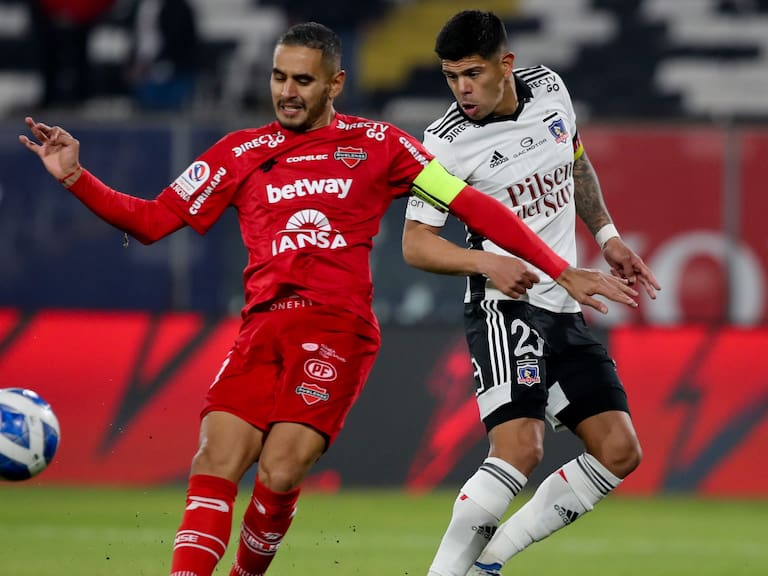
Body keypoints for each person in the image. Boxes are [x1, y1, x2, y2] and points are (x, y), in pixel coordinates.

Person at [20, 22, 639, 576]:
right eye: (279, 78)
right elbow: (151, 220)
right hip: (260, 331)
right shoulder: (239, 152)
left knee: (280, 471)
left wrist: (563, 266)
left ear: (335, 83)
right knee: (214, 458)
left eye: (303, 81)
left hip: (337, 332)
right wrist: (75, 176)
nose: (287, 92)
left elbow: (470, 205)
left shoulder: (381, 145)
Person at [401, 10, 662, 576]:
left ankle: (486, 565)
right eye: (450, 76)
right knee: (520, 450)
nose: (462, 89)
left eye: (471, 73)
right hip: (506, 306)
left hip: (564, 308)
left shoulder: (549, 90)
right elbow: (416, 244)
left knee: (619, 452)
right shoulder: (446, 144)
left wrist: (608, 235)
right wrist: (484, 260)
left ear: (506, 64)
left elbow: (574, 160)